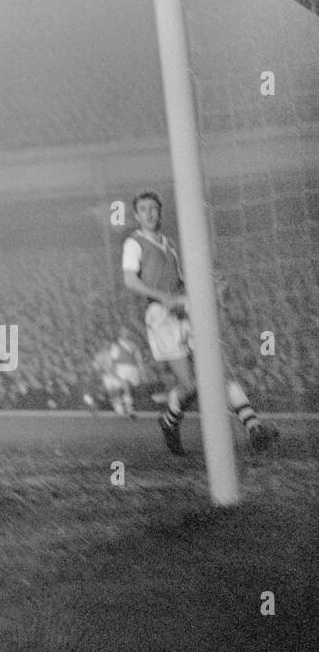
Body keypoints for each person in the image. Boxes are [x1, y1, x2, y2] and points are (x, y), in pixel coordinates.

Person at [120, 190, 276, 456]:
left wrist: (210, 287)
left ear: (160, 211)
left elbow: (179, 283)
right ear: (136, 215)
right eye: (143, 209)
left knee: (217, 369)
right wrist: (163, 298)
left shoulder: (168, 245)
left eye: (153, 208)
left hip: (185, 311)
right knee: (191, 386)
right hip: (161, 317)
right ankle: (169, 421)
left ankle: (254, 428)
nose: (149, 213)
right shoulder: (134, 243)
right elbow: (130, 280)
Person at [91, 328, 142, 417]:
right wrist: (101, 372)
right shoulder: (100, 354)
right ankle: (119, 408)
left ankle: (128, 408)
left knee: (124, 389)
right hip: (107, 376)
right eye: (104, 342)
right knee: (113, 392)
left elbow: (118, 360)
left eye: (108, 342)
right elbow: (96, 366)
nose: (106, 344)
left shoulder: (115, 350)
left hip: (116, 374)